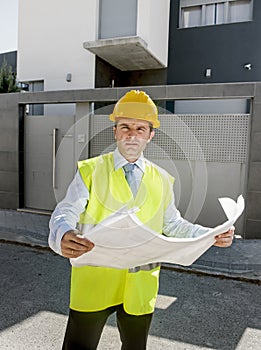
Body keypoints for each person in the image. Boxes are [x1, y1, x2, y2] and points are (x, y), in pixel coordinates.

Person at [49, 90, 234, 350]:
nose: (131, 134)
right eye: (125, 126)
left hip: (140, 288)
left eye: (140, 128)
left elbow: (173, 225)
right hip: (93, 283)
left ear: (150, 135)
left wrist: (211, 234)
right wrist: (62, 234)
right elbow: (65, 211)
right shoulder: (91, 171)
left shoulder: (162, 179)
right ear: (115, 132)